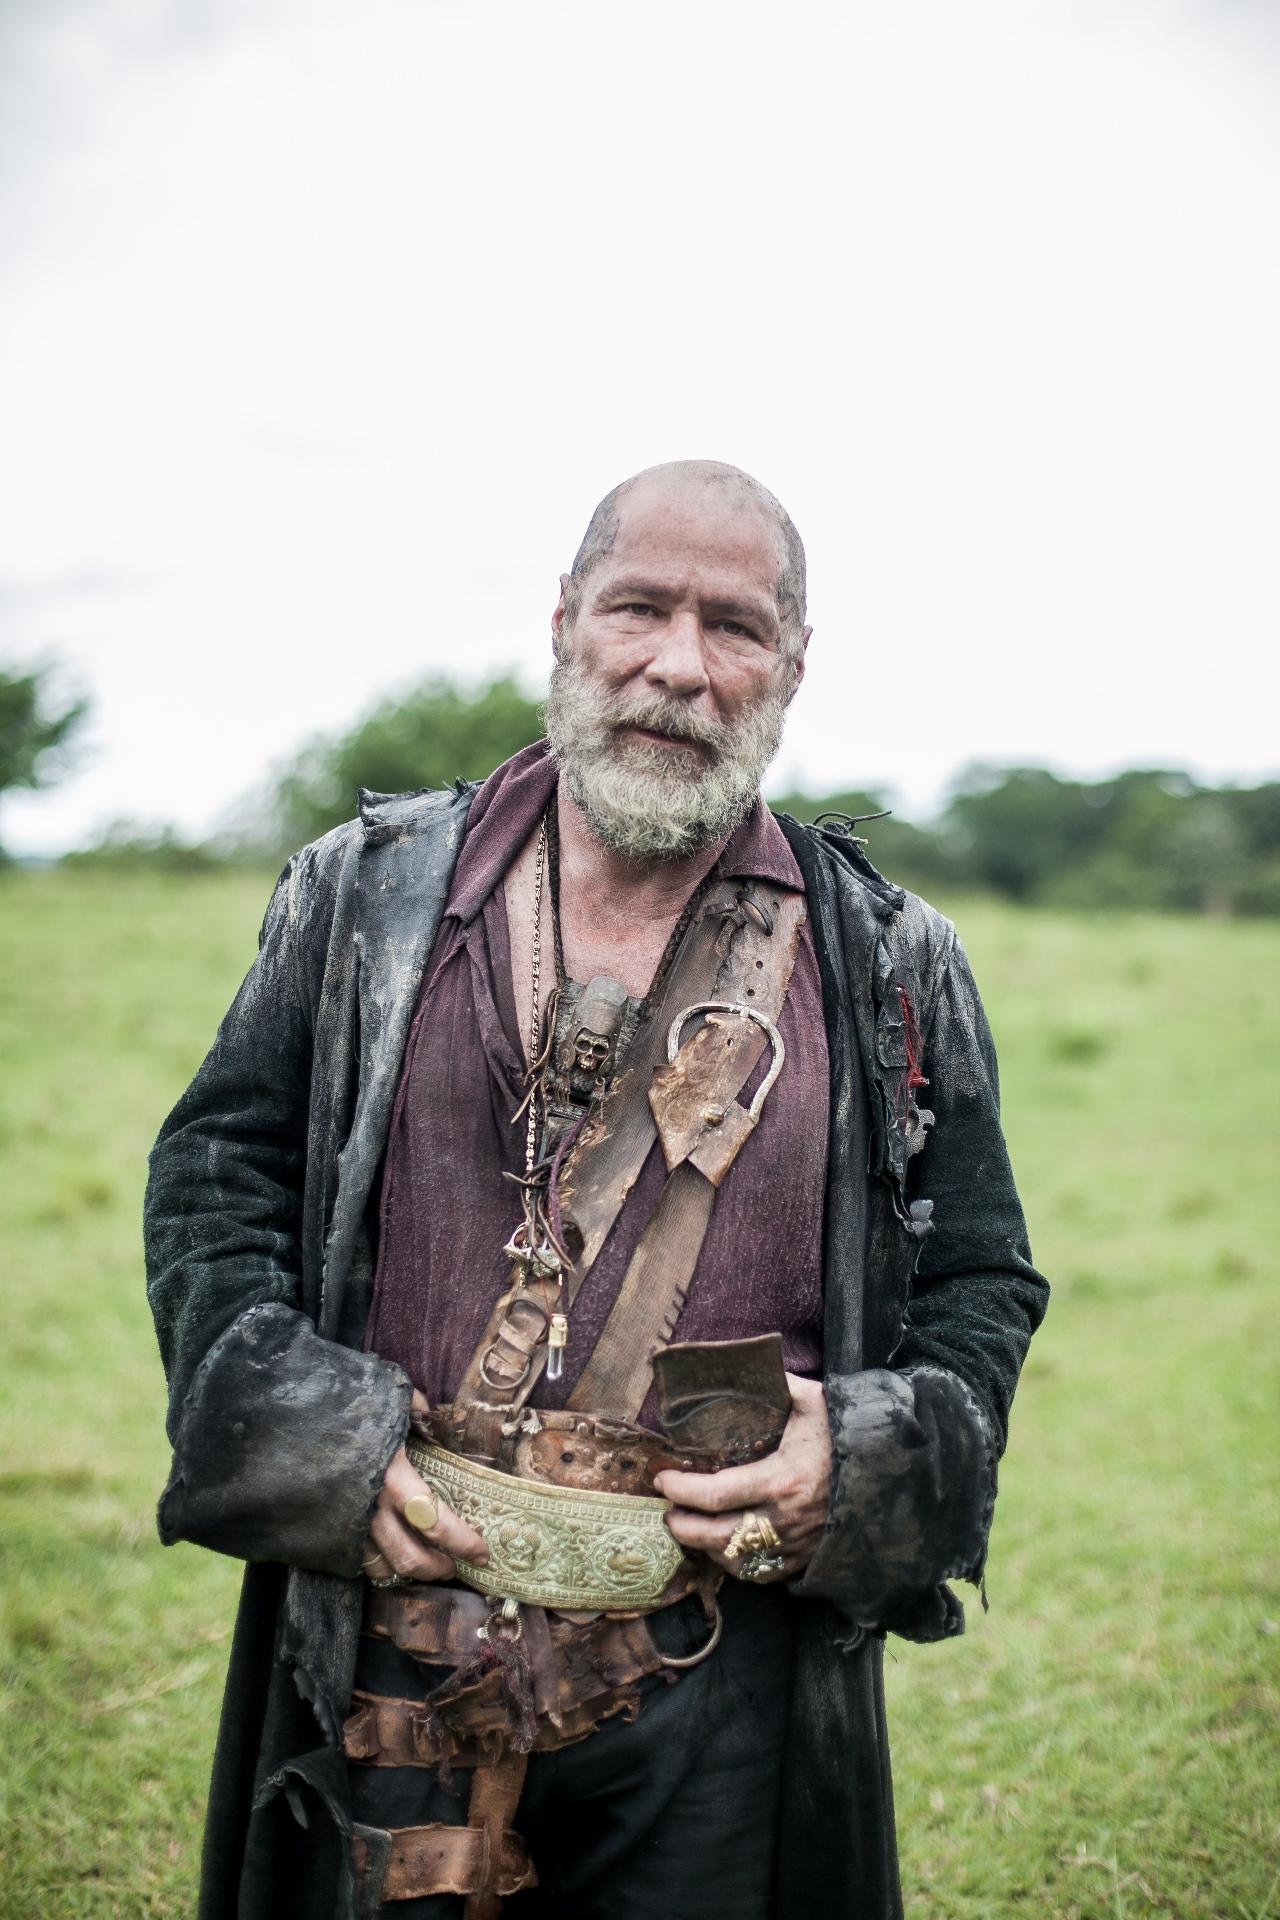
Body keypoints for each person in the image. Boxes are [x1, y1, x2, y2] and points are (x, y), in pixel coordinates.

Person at [145, 459, 1048, 1920]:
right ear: (564, 622)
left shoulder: (891, 959)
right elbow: (213, 1177)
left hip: (722, 1676)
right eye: (640, 608)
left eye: (736, 627)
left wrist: (869, 1456)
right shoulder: (363, 896)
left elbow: (981, 1284)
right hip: (388, 1644)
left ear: (794, 669)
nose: (680, 665)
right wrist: (316, 1442)